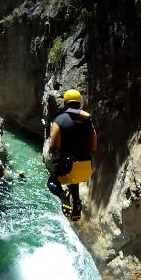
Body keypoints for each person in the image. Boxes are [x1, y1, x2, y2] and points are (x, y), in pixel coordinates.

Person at [46, 89, 97, 221]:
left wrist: (55, 153)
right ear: (79, 102)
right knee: (73, 180)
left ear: (66, 102)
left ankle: (63, 195)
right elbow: (94, 146)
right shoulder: (88, 120)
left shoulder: (60, 119)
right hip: (86, 167)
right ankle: (77, 205)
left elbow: (54, 146)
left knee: (52, 182)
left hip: (69, 165)